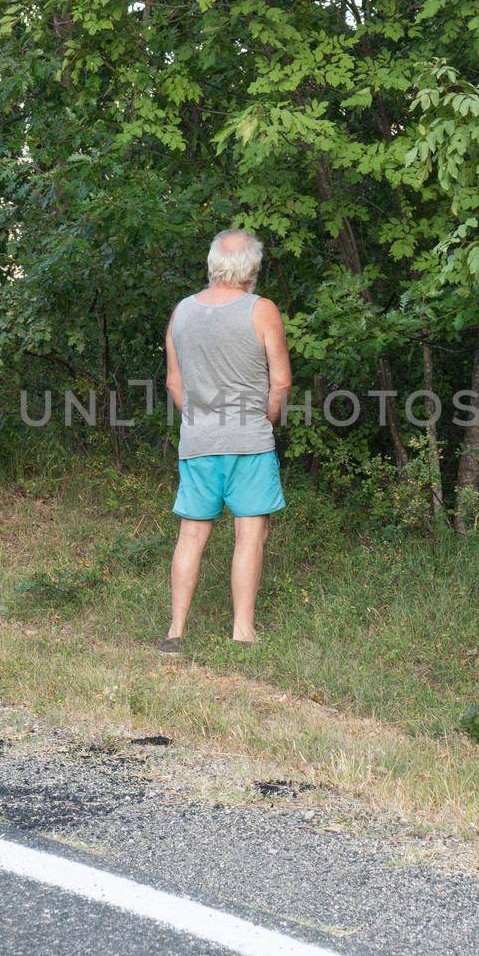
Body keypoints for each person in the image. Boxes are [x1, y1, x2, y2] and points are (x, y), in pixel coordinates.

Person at [159, 229, 292, 652]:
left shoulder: (181, 312)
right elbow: (281, 382)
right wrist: (265, 421)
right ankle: (242, 631)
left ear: (213, 264)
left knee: (191, 534)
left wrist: (199, 419)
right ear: (251, 268)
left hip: (198, 439)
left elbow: (173, 382)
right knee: (250, 532)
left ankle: (175, 632)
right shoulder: (262, 310)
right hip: (249, 440)